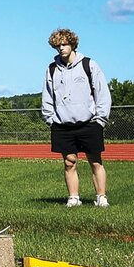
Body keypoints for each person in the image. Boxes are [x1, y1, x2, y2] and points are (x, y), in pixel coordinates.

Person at [42, 28, 112, 208]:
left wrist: (100, 119)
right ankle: (74, 197)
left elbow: (102, 93)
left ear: (73, 44)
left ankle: (101, 196)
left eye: (64, 44)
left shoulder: (89, 65)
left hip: (89, 123)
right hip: (63, 125)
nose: (61, 48)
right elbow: (48, 97)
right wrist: (51, 118)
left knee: (95, 161)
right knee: (69, 162)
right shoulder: (51, 70)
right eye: (58, 45)